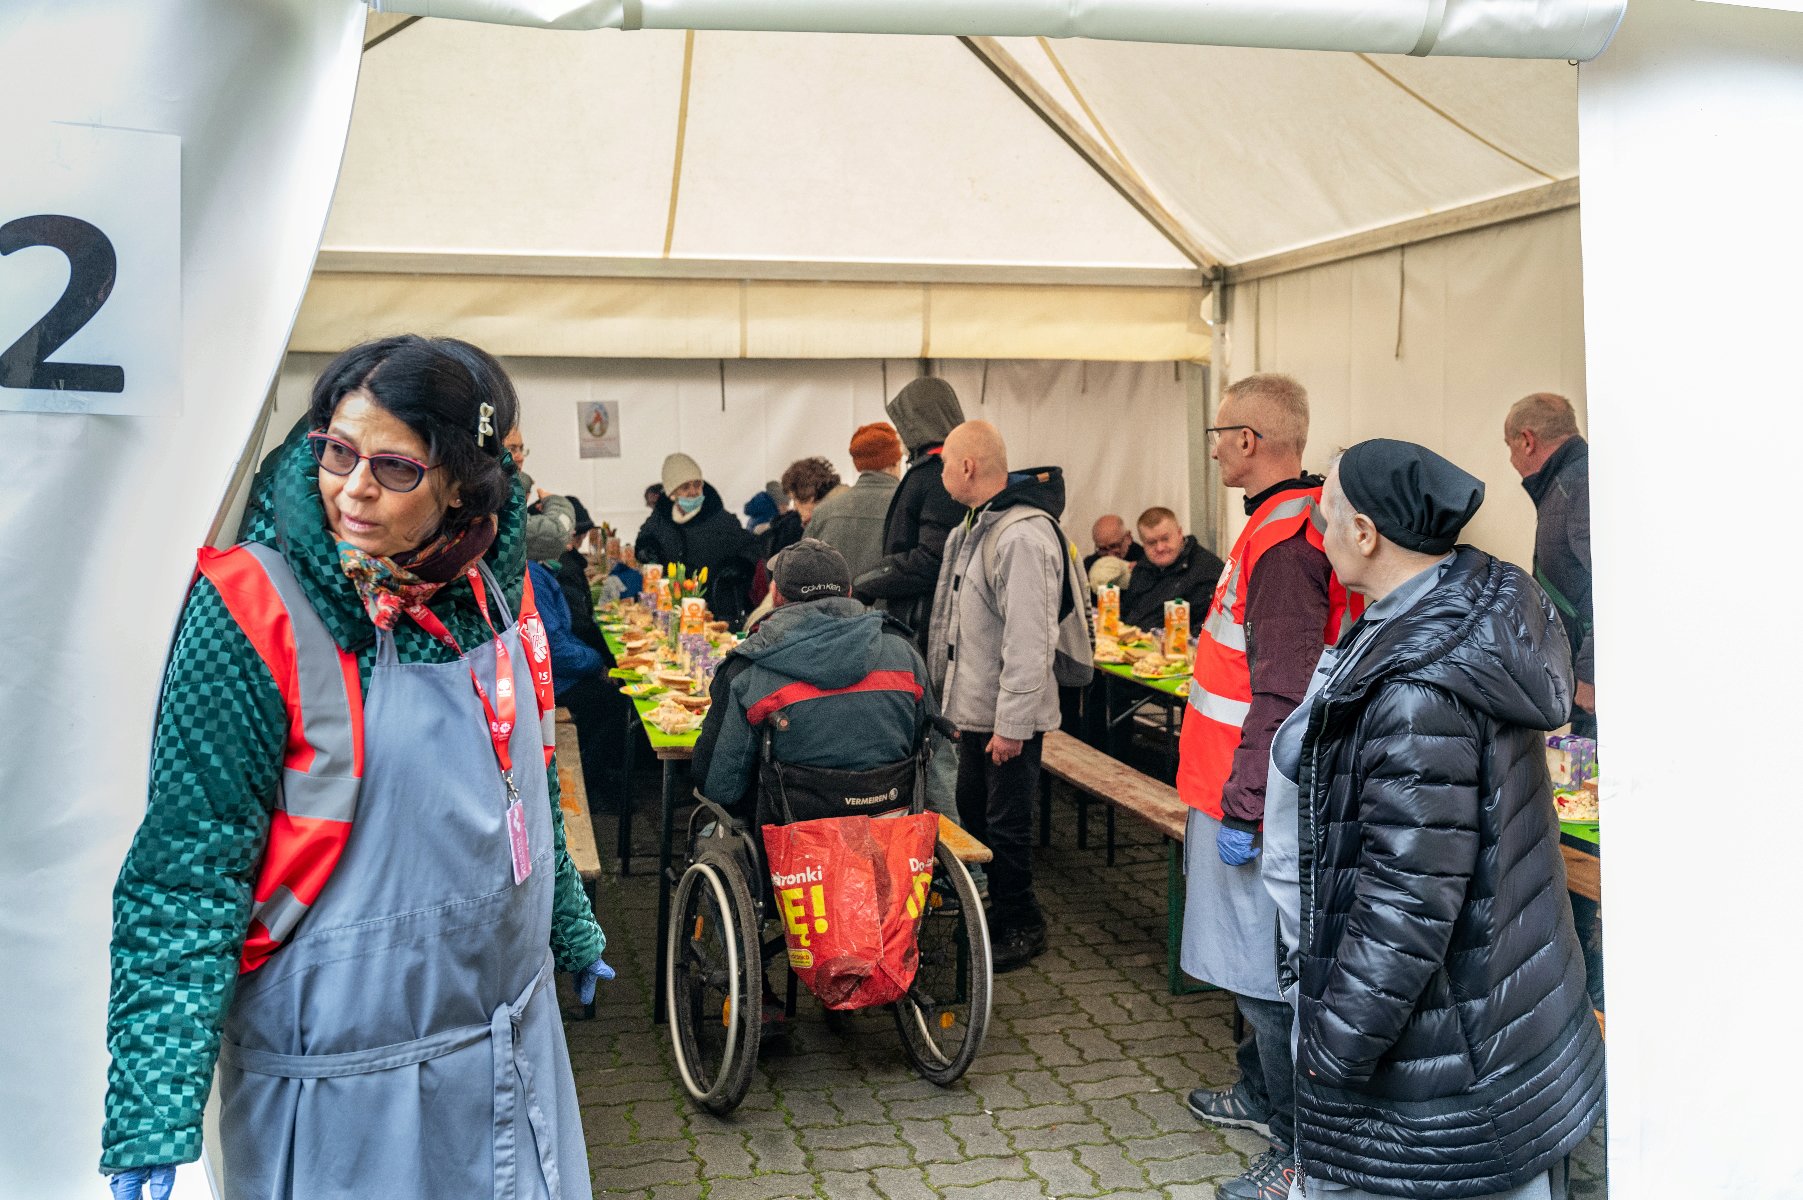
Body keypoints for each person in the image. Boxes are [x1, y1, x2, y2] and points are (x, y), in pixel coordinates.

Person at [102, 336, 610, 1199]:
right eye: (337, 451)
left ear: (461, 483)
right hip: (342, 1089)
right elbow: (190, 870)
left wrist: (569, 923)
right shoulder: (252, 610)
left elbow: (518, 789)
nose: (354, 488)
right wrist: (153, 1102)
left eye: (394, 467)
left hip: (509, 1051)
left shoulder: (495, 588)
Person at [1264, 439, 1603, 1199]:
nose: (1318, 537)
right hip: (1492, 1022)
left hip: (1445, 1050)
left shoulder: (1418, 688)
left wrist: (1333, 1048)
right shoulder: (1466, 609)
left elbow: (1408, 901)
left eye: (1326, 519)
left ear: (1365, 534)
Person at [1175, 373, 1359, 1200]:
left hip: (1248, 797)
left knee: (1265, 981)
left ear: (1249, 441)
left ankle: (1297, 1153)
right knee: (1250, 972)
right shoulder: (1282, 524)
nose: (1212, 445)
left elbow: (1278, 695)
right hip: (1232, 788)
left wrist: (1246, 807)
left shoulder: (1283, 543)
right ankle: (1256, 1095)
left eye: (1219, 433)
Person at [928, 420, 1071, 974]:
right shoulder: (978, 527)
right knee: (977, 818)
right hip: (976, 712)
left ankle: (1021, 923)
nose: (940, 475)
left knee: (1007, 827)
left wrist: (1012, 725)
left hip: (1009, 719)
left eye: (944, 464)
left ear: (966, 468)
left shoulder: (1020, 536)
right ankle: (994, 910)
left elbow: (1030, 641)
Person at [692, 539, 935, 817]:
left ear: (777, 595)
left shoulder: (746, 671)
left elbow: (719, 785)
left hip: (790, 843)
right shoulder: (906, 655)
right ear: (850, 593)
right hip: (891, 834)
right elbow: (935, 756)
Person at [1505, 391, 1604, 1011]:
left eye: (1508, 447)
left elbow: (1611, 586)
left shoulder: (1579, 489)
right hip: (1574, 692)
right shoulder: (1570, 483)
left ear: (1527, 442)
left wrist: (1591, 677)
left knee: (1584, 823)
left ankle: (1589, 977)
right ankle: (1577, 965)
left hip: (1592, 697)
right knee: (1576, 811)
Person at [852, 377, 967, 650]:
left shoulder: (936, 474)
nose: (901, 437)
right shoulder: (943, 470)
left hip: (926, 627)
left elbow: (934, 558)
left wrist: (868, 581)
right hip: (931, 623)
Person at [636, 452, 758, 628]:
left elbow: (752, 546)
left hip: (715, 613)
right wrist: (646, 548)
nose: (693, 492)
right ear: (672, 493)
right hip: (671, 609)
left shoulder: (719, 518)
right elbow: (644, 537)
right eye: (685, 487)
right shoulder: (661, 518)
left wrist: (739, 565)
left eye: (697, 485)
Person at [806, 421, 905, 580]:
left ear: (859, 466)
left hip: (833, 603)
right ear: (895, 462)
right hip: (889, 604)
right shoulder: (910, 505)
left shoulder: (824, 512)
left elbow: (804, 571)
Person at [1118, 506, 1225, 629]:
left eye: (1165, 539)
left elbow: (1208, 629)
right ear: (1143, 543)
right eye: (1151, 543)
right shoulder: (1143, 567)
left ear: (1179, 533)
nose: (1160, 548)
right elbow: (1126, 612)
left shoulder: (1207, 570)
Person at [505, 423, 576, 552]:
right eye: (512, 449)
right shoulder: (490, 504)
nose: (520, 458)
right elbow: (557, 535)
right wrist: (557, 503)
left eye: (521, 449)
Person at [771, 456, 841, 560]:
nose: (794, 507)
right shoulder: (839, 514)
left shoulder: (824, 527)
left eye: (795, 499)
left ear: (810, 496)